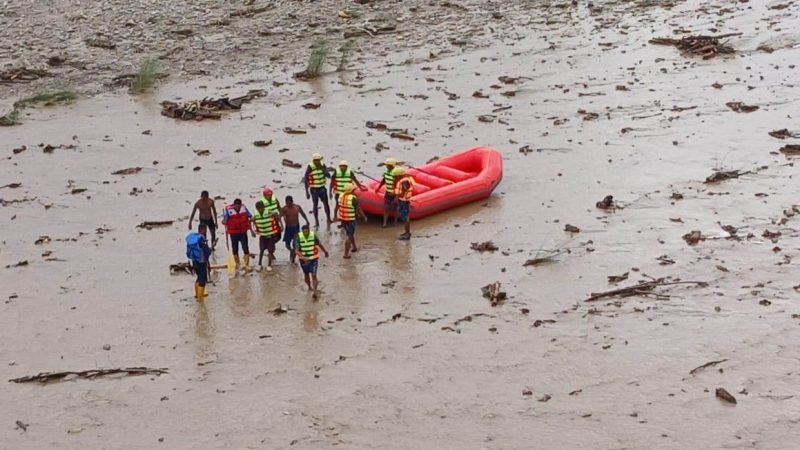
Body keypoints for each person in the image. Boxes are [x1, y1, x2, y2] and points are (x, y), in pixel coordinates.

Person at [295, 224, 329, 293]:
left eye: (307, 231)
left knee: (314, 275)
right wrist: (303, 258)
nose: (306, 233)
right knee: (306, 274)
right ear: (302, 232)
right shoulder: (299, 237)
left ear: (309, 231)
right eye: (304, 232)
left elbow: (319, 244)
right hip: (303, 260)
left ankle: (315, 291)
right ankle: (309, 287)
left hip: (314, 259)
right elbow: (296, 250)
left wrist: (325, 251)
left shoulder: (313, 236)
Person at [222, 198, 254, 270]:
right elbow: (224, 220)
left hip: (243, 232)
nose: (238, 207)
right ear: (234, 205)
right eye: (236, 206)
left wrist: (252, 219)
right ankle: (237, 263)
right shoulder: (228, 211)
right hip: (234, 234)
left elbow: (250, 216)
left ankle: (246, 264)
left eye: (239, 206)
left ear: (240, 205)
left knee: (245, 247)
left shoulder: (244, 209)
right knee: (235, 249)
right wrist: (224, 221)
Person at [337, 184, 367, 258]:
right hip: (350, 219)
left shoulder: (340, 196)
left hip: (342, 218)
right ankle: (346, 254)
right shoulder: (353, 198)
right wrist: (364, 217)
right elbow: (358, 208)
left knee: (349, 233)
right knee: (349, 235)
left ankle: (354, 247)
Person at [251, 200, 282, 271]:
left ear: (264, 207)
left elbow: (276, 215)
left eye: (261, 208)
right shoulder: (256, 216)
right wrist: (252, 231)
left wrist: (280, 224)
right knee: (261, 250)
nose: (260, 210)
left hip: (270, 235)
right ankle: (259, 264)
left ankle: (269, 265)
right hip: (262, 235)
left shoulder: (269, 212)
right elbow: (249, 222)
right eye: (258, 209)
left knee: (270, 250)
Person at [304, 153, 331, 228]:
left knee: (326, 204)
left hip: (322, 188)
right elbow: (306, 179)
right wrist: (307, 192)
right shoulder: (310, 167)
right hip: (314, 189)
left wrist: (324, 170)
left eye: (318, 160)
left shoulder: (323, 165)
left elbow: (328, 176)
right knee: (315, 205)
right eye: (315, 160)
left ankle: (328, 219)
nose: (317, 162)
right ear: (313, 160)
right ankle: (317, 222)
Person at [280, 195, 309, 264]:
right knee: (287, 244)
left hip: (296, 227)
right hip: (288, 228)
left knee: (295, 244)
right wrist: (281, 224)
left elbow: (303, 214)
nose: (288, 204)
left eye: (289, 203)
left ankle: (293, 258)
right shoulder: (284, 209)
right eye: (286, 203)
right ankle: (291, 251)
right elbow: (279, 217)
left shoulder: (297, 207)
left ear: (292, 202)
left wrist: (307, 221)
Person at [186, 224, 212, 300]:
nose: (206, 232)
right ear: (202, 230)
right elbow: (206, 251)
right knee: (202, 280)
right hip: (201, 262)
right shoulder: (201, 239)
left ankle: (197, 294)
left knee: (198, 277)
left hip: (194, 261)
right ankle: (200, 299)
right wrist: (210, 249)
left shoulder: (194, 238)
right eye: (205, 230)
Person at [374, 157, 398, 227]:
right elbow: (383, 180)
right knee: (386, 207)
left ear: (391, 166)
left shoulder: (396, 174)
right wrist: (379, 187)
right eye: (386, 165)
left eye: (387, 165)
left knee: (395, 208)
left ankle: (395, 223)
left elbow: (398, 184)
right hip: (388, 192)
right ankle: (385, 223)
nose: (386, 166)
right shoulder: (386, 173)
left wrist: (397, 196)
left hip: (395, 193)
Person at [393, 167, 416, 240]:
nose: (395, 178)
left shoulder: (403, 182)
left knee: (405, 217)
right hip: (404, 200)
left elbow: (404, 191)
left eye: (395, 176)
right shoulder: (405, 180)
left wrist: (396, 195)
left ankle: (407, 234)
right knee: (405, 216)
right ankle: (406, 232)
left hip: (403, 201)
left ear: (399, 176)